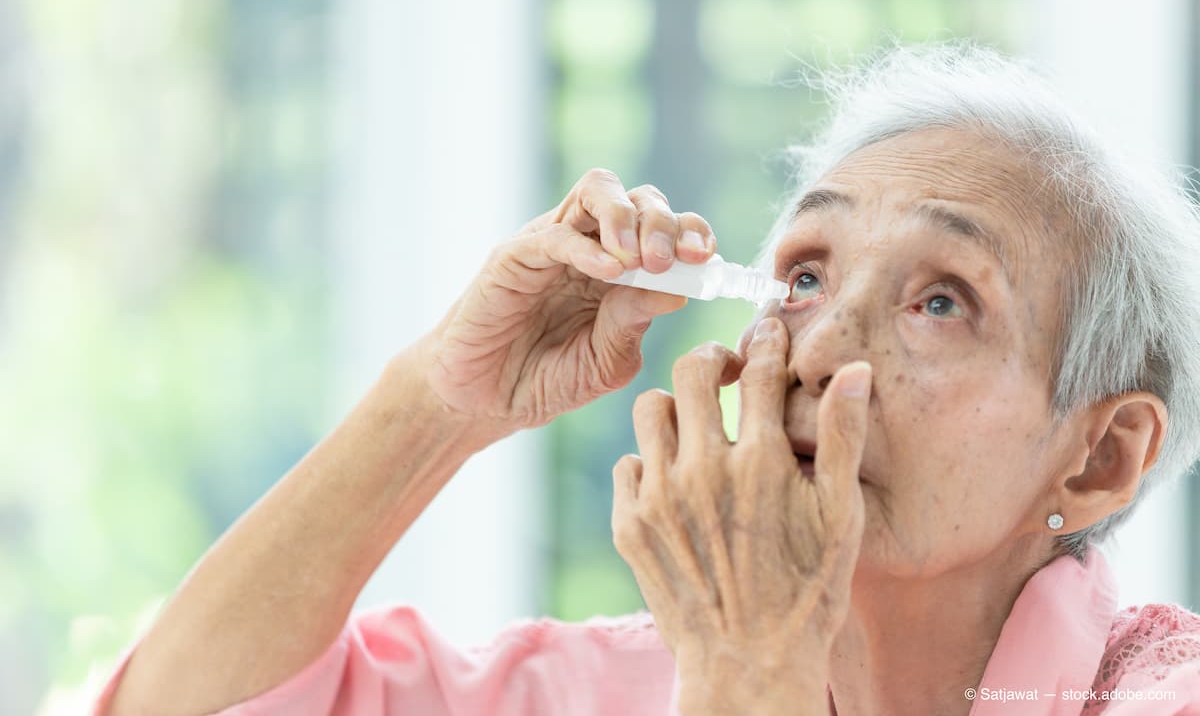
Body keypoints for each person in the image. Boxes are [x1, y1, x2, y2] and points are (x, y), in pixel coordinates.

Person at [97, 45, 1200, 715]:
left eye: (941, 299)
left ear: (1101, 454)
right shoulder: (624, 682)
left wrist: (747, 666)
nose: (813, 352)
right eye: (806, 273)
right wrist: (442, 400)